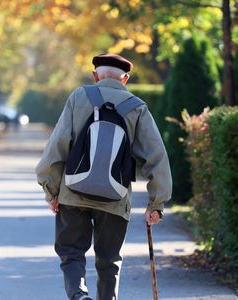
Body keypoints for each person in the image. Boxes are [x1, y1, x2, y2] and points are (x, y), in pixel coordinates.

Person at [36, 53, 172, 300]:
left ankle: (79, 294)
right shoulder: (138, 107)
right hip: (115, 198)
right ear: (126, 79)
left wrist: (51, 190)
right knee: (109, 261)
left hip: (73, 193)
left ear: (95, 76)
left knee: (71, 252)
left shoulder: (79, 97)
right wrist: (157, 203)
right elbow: (156, 157)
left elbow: (57, 146)